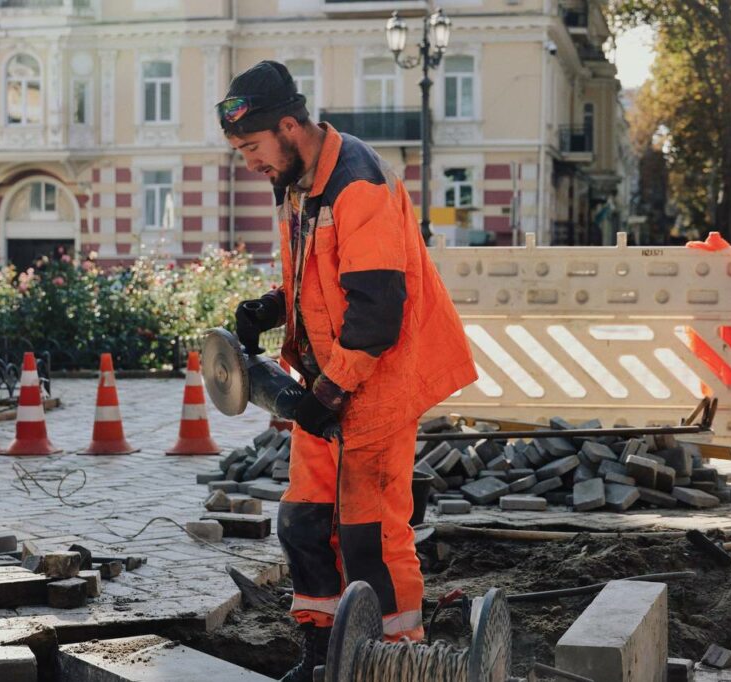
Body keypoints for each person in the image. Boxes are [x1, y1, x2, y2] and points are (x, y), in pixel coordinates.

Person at [218, 60, 477, 681]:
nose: (249, 162)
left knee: (370, 535)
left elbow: (378, 312)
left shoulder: (358, 183)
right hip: (330, 379)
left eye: (251, 146)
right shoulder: (299, 179)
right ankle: (323, 652)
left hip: (378, 379)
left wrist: (326, 395)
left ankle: (392, 659)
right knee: (303, 520)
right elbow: (320, 277)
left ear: (288, 125)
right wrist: (270, 308)